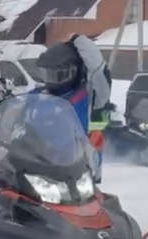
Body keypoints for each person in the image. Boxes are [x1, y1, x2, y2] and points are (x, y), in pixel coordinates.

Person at [33, 35, 112, 182]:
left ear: (75, 72)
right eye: (47, 75)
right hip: (40, 169)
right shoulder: (39, 95)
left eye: (58, 76)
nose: (52, 81)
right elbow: (16, 112)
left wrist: (78, 39)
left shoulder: (91, 95)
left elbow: (98, 69)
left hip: (81, 170)